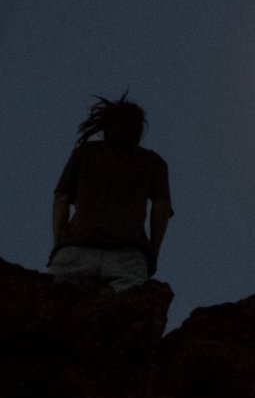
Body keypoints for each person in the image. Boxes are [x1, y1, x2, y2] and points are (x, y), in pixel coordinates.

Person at [49, 93, 173, 291]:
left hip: (76, 250)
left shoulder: (86, 152)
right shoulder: (153, 162)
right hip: (128, 254)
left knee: (56, 313)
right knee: (127, 317)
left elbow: (62, 197)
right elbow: (161, 206)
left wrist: (59, 244)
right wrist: (153, 251)